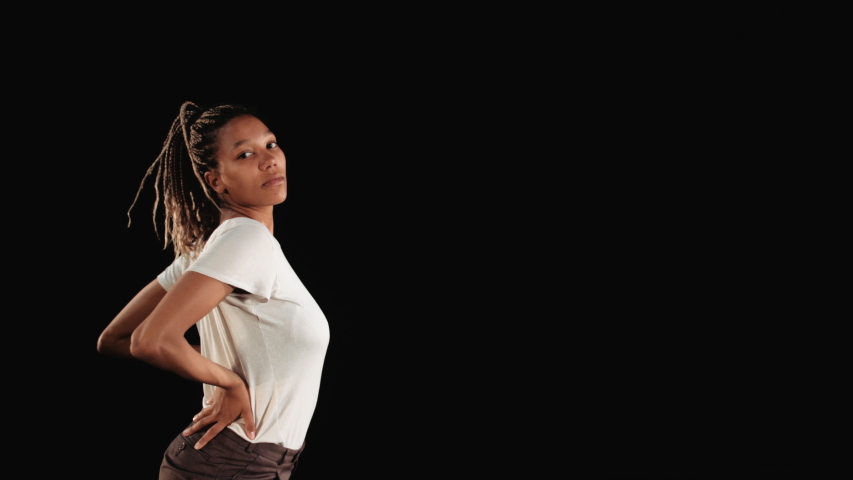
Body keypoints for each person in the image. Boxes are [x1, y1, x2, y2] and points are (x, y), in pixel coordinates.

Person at [97, 100, 330, 480]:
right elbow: (146, 340)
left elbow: (114, 339)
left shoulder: (212, 249)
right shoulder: (246, 240)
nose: (269, 160)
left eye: (270, 144)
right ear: (215, 181)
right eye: (245, 154)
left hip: (245, 461)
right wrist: (228, 380)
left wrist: (220, 368)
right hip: (232, 463)